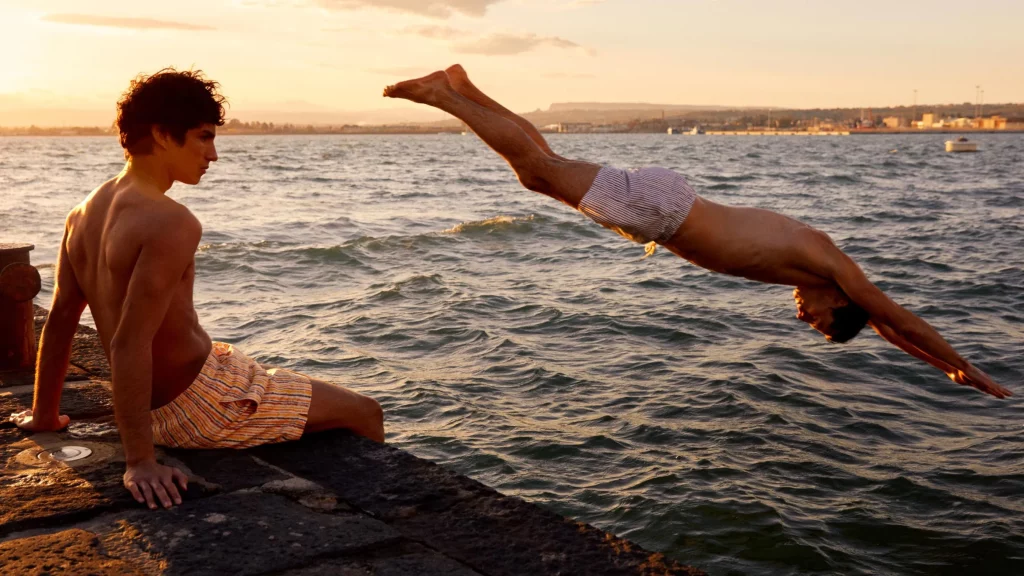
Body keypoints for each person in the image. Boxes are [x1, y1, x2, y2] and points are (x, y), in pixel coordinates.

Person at [383, 65, 1011, 400]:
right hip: (665, 213)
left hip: (665, 209)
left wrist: (941, 369)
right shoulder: (835, 270)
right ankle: (446, 95)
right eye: (819, 322)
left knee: (543, 173)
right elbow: (898, 318)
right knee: (539, 171)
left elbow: (890, 331)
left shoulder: (823, 274)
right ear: (840, 302)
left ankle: (464, 88)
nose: (805, 318)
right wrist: (968, 365)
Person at [10, 68, 385, 511]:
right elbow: (130, 343)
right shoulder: (170, 220)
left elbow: (60, 320)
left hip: (173, 398)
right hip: (200, 406)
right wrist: (140, 462)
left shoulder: (82, 213)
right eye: (204, 138)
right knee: (365, 411)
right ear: (162, 134)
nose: (213, 155)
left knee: (285, 380)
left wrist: (45, 415)